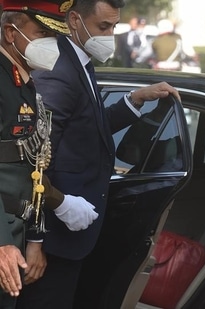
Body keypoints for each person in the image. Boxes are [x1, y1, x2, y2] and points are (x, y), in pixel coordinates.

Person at [14, 1, 181, 308]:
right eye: (104, 27)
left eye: (114, 26)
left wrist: (134, 99)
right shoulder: (58, 68)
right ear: (75, 20)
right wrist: (36, 241)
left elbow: (87, 126)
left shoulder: (79, 61)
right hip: (53, 240)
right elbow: (34, 159)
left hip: (70, 237)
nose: (110, 35)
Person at [0, 1, 98, 307]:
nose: (50, 44)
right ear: (10, 33)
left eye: (54, 36)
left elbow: (31, 168)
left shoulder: (23, 82)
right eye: (41, 33)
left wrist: (35, 234)